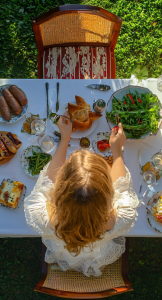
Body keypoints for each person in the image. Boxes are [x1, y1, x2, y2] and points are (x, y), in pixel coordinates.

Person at [24, 114, 139, 277]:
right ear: (108, 191)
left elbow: (47, 180)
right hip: (98, 250)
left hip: (65, 249)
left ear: (59, 188)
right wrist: (117, 152)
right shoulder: (123, 215)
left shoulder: (39, 213)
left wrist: (64, 139)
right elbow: (121, 183)